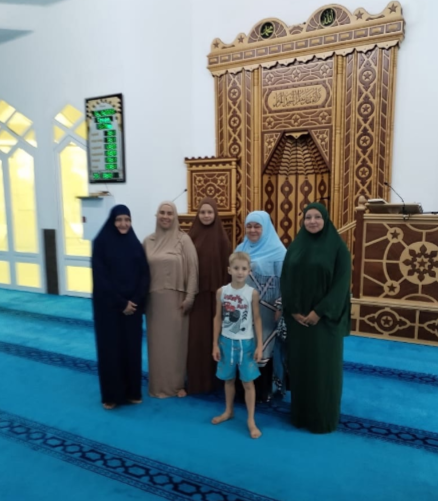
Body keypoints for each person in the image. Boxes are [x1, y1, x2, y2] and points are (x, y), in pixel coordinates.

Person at [280, 202, 351, 434]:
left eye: (317, 217)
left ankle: (323, 418)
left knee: (323, 370)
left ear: (326, 219)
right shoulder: (296, 246)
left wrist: (319, 312)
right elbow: (286, 279)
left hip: (325, 322)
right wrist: (293, 309)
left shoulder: (338, 248)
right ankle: (301, 415)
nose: (312, 221)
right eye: (308, 217)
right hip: (298, 321)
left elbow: (341, 285)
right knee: (301, 368)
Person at [92, 204, 150, 410]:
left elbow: (144, 274)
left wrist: (135, 300)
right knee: (111, 351)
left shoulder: (135, 244)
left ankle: (132, 392)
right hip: (109, 310)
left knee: (131, 350)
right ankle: (111, 396)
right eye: (119, 220)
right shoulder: (101, 243)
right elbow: (101, 279)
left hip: (132, 309)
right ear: (112, 221)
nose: (123, 224)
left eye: (127, 219)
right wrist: (121, 303)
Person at [143, 201, 198, 398]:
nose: (165, 216)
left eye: (169, 213)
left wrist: (190, 296)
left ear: (175, 217)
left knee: (176, 346)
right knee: (157, 345)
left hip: (177, 301)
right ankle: (158, 386)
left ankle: (176, 385)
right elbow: (139, 272)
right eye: (162, 213)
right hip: (154, 302)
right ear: (157, 215)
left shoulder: (184, 240)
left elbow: (193, 270)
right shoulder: (148, 241)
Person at [235, 211, 286, 402]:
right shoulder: (240, 248)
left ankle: (264, 390)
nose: (252, 230)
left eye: (257, 226)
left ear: (266, 228)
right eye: (249, 226)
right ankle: (244, 390)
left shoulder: (279, 252)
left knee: (265, 347)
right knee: (245, 346)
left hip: (268, 311)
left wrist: (280, 306)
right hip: (244, 309)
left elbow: (285, 282)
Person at [211, 251, 263, 439]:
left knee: (248, 382)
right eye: (236, 268)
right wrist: (215, 344)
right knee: (228, 379)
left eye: (243, 268)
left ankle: (251, 420)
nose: (240, 272)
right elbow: (218, 318)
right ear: (229, 270)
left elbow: (257, 319)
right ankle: (228, 410)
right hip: (226, 341)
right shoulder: (222, 292)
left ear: (249, 271)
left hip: (246, 343)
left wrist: (259, 345)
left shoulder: (252, 293)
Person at [187, 197, 231, 394]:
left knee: (216, 338)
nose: (206, 216)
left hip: (216, 299)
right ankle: (197, 380)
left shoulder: (222, 239)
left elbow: (227, 271)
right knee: (197, 339)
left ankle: (216, 381)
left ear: (215, 214)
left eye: (210, 212)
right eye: (202, 212)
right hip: (197, 298)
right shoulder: (191, 237)